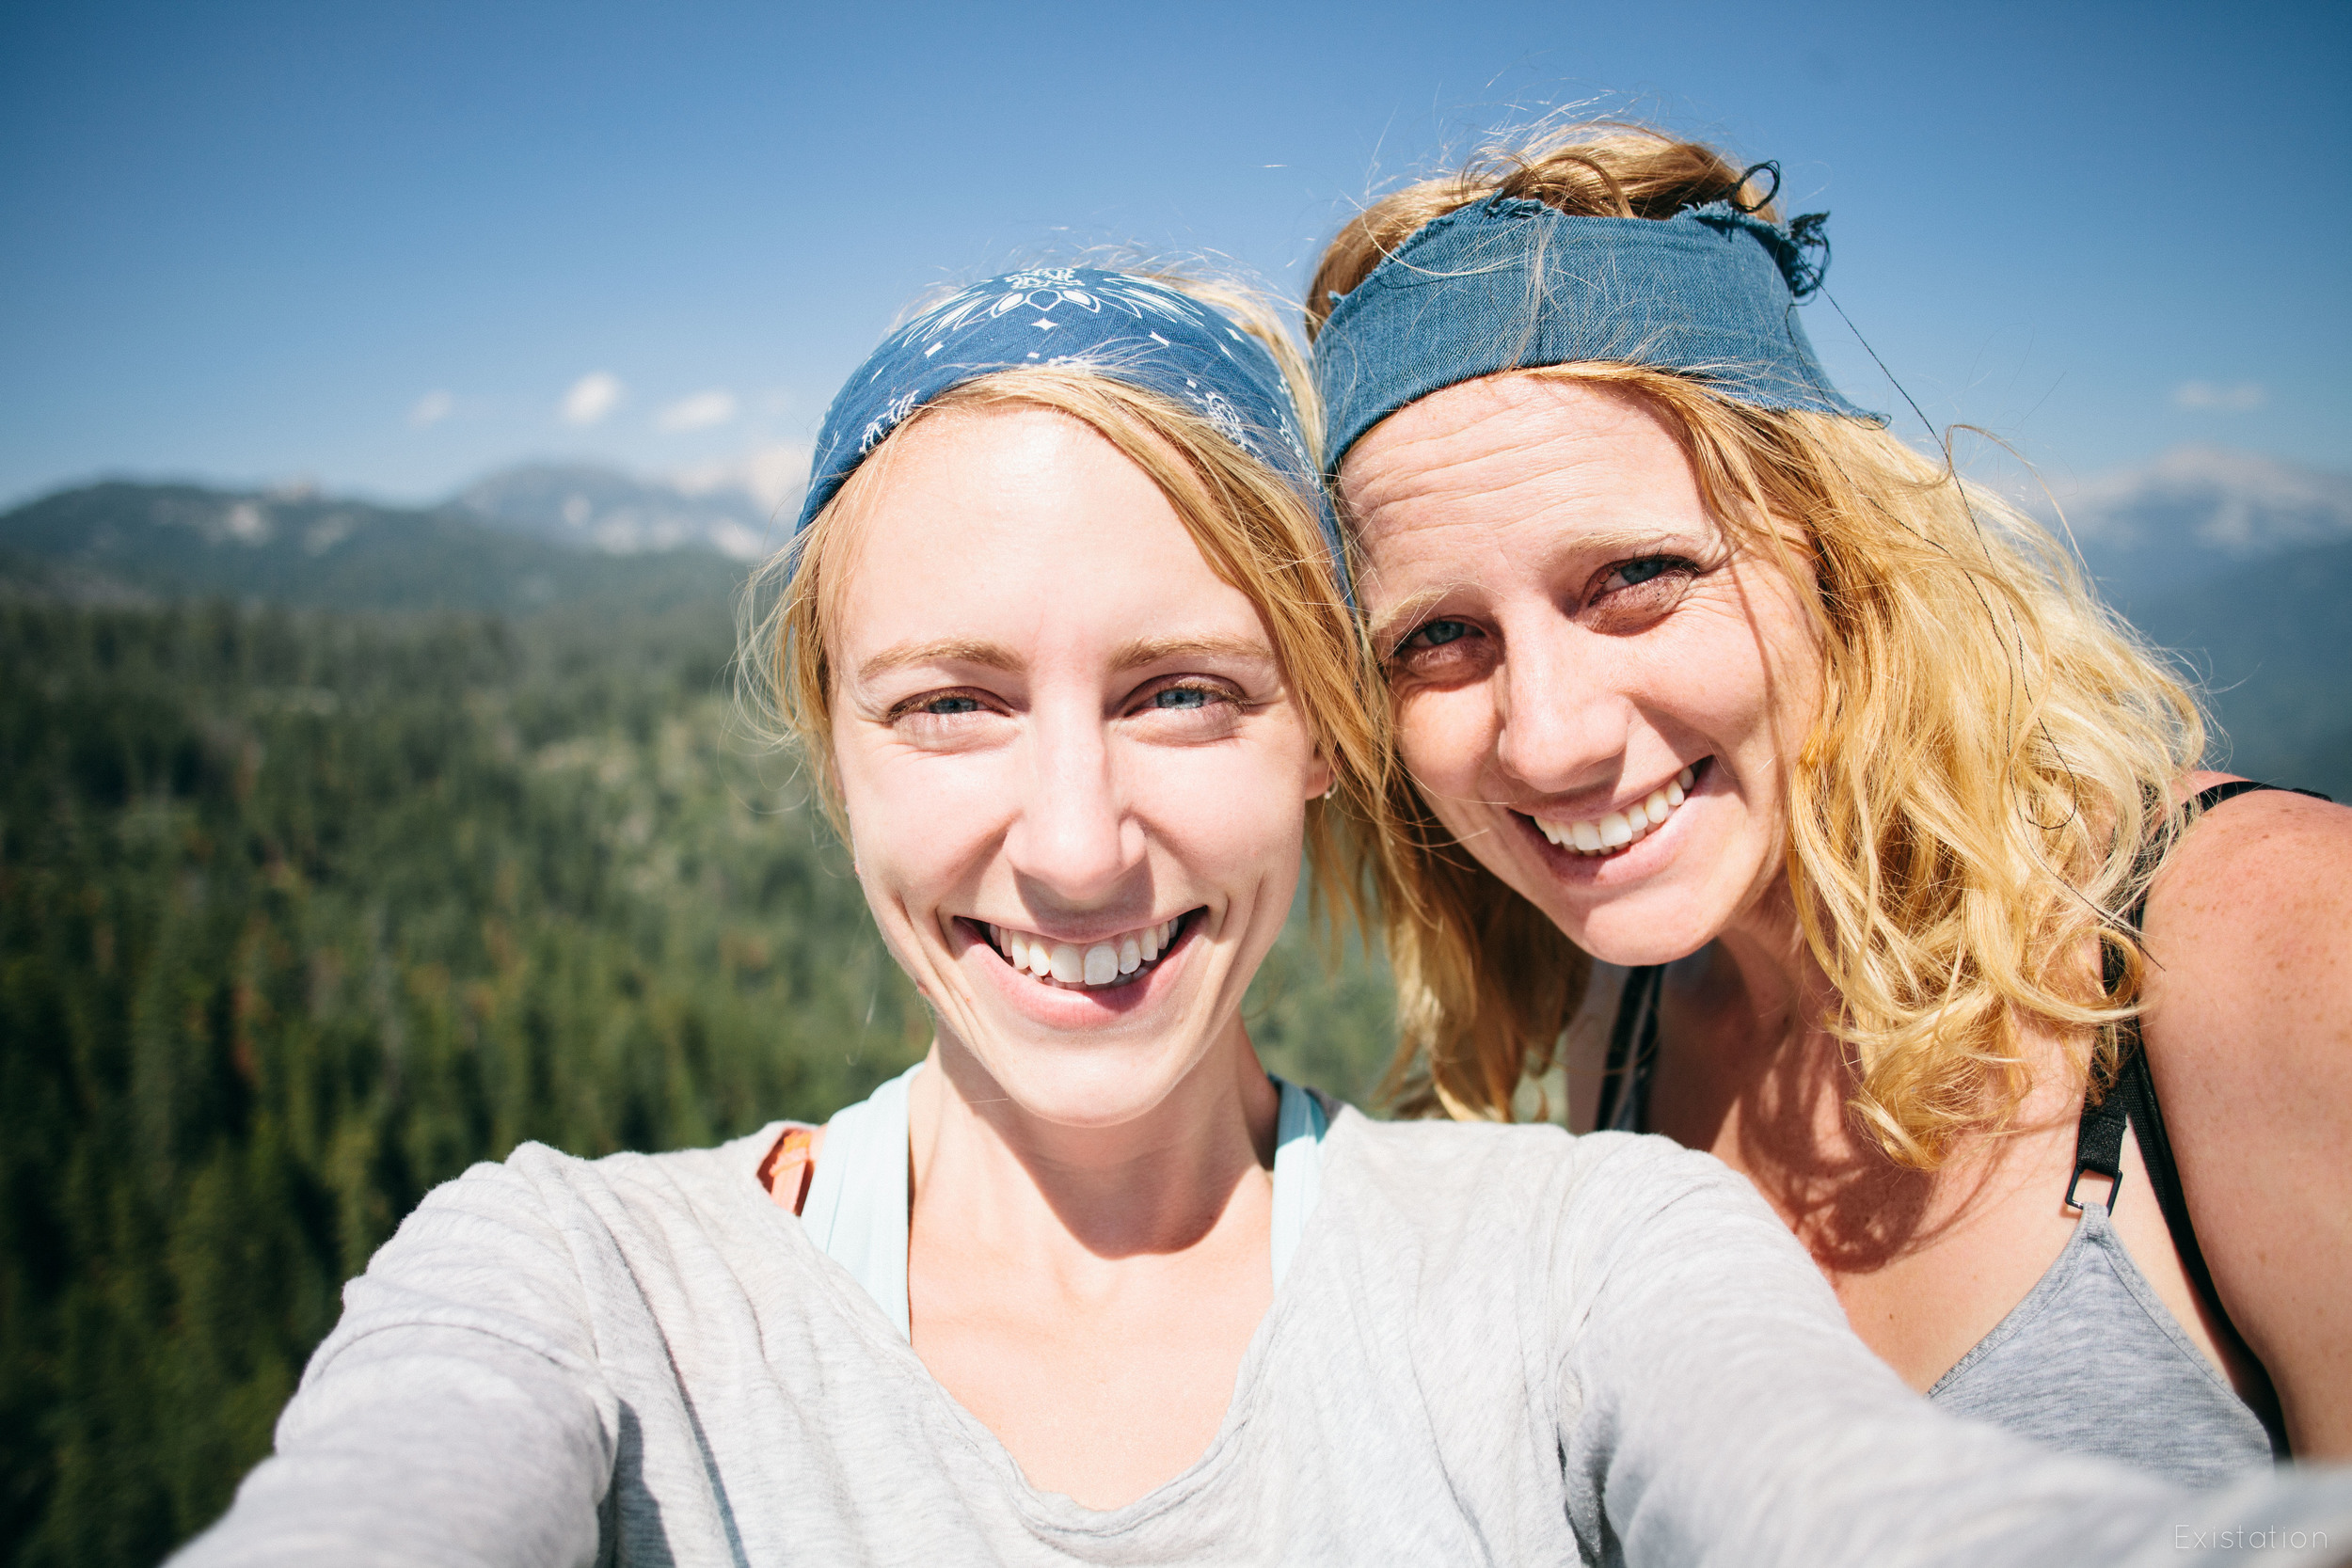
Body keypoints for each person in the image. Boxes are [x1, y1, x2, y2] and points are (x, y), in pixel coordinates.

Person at [173, 266, 2347, 1567]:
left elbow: (1862, 1505)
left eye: (1180, 694)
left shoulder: (1581, 1242)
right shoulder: (575, 1286)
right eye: (946, 704)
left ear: (1315, 738)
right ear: (828, 752)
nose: (1074, 846)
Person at [1307, 119, 2352, 1487]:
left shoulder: (2275, 942)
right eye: (1437, 637)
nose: (1549, 741)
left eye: (1637, 578)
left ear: (1838, 555)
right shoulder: (1620, 1027)